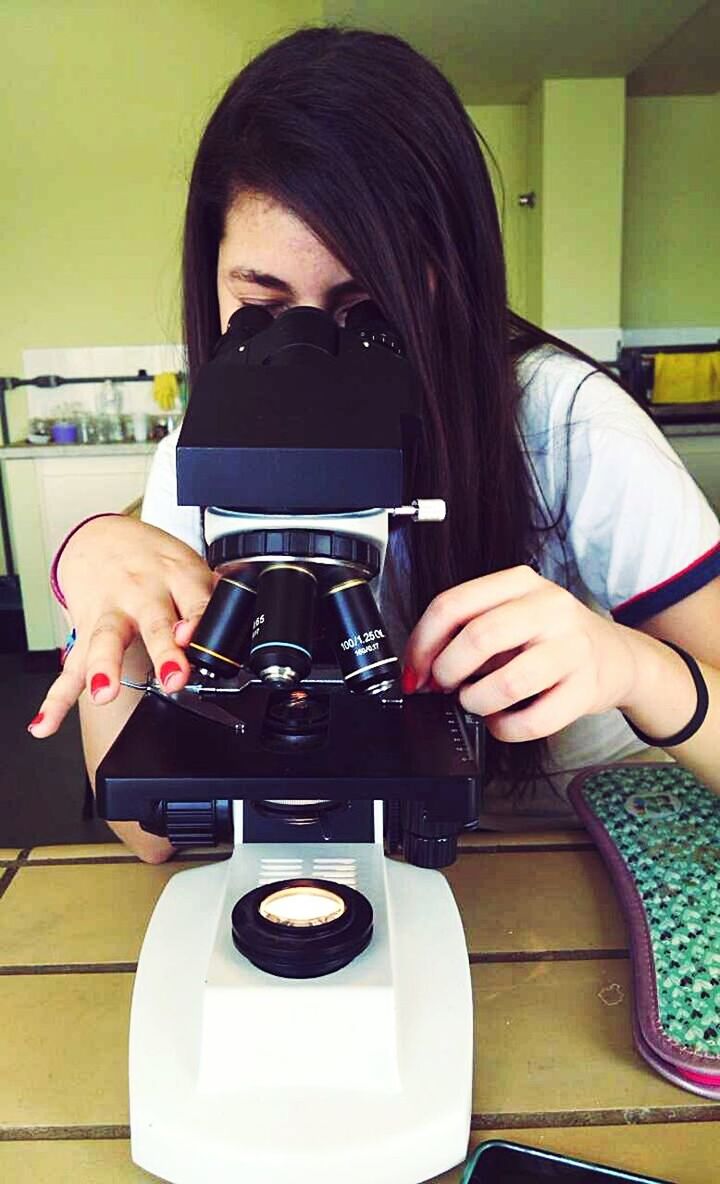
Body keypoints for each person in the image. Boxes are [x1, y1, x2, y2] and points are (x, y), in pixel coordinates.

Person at [27, 27, 720, 863]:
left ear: (449, 276)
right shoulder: (210, 436)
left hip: (563, 849)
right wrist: (100, 581)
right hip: (346, 845)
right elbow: (148, 835)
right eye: (262, 308)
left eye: (370, 312)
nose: (309, 358)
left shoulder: (568, 422)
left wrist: (635, 670)